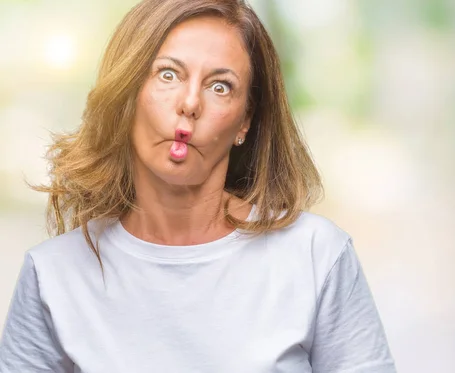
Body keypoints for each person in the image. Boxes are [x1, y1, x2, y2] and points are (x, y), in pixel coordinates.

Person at [0, 0, 396, 372]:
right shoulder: (52, 274)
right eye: (168, 74)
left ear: (244, 122)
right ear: (127, 92)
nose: (190, 103)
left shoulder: (316, 256)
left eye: (219, 86)